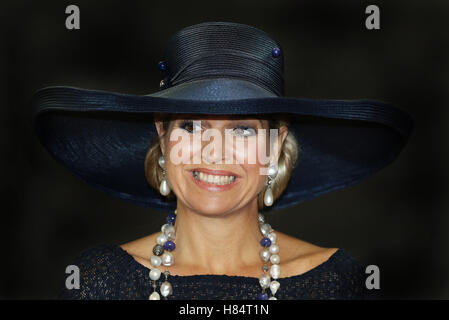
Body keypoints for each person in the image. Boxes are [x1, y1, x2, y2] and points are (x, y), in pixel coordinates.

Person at [32, 21, 413, 300]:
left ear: (276, 144)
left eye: (243, 129)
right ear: (162, 136)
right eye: (192, 126)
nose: (215, 152)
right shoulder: (99, 282)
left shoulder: (341, 284)